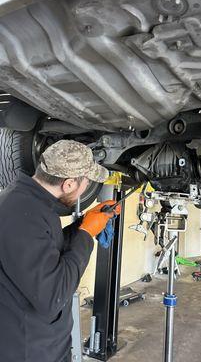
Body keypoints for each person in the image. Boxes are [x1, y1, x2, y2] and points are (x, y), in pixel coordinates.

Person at [0, 140, 121, 362]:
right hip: (29, 351)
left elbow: (44, 251)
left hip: (36, 344)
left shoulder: (26, 202)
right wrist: (85, 234)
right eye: (86, 182)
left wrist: (84, 225)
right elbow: (53, 296)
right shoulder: (25, 215)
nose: (87, 188)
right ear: (68, 184)